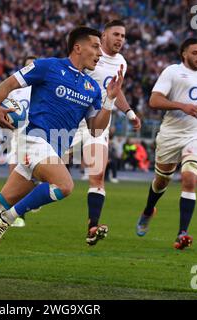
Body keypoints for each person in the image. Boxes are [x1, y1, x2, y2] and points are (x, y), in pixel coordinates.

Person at [0, 26, 124, 273]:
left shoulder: (91, 88)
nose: (100, 53)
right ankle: (9, 219)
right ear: (78, 47)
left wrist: (110, 100)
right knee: (65, 185)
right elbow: (10, 83)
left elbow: (97, 130)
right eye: (95, 46)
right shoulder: (48, 66)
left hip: (52, 151)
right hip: (34, 140)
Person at [135, 38, 197, 250]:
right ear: (184, 54)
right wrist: (182, 106)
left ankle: (182, 233)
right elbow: (154, 100)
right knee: (161, 181)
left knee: (189, 178)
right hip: (170, 134)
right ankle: (149, 209)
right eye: (195, 52)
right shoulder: (172, 72)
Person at [71, 20, 141, 245]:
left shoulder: (121, 62)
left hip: (98, 123)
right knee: (40, 170)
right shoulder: (90, 54)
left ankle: (92, 227)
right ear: (104, 34)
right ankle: (10, 209)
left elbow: (115, 90)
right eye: (116, 34)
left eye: (123, 35)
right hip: (72, 121)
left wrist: (129, 113)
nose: (120, 39)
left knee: (97, 175)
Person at [5, 55, 36, 227]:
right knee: (13, 176)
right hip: (17, 136)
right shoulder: (14, 90)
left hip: (37, 136)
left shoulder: (43, 88)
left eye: (33, 65)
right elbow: (6, 113)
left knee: (33, 177)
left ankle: (32, 200)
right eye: (27, 66)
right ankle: (17, 216)